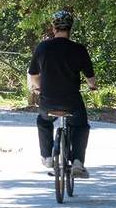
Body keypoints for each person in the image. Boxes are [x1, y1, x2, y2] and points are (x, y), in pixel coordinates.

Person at [27, 10, 96, 177]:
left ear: (53, 27)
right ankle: (78, 162)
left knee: (44, 121)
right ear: (70, 28)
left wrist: (38, 87)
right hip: (72, 102)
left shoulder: (43, 47)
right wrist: (93, 86)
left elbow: (33, 74)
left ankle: (47, 157)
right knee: (80, 126)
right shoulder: (79, 49)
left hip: (48, 101)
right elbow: (90, 78)